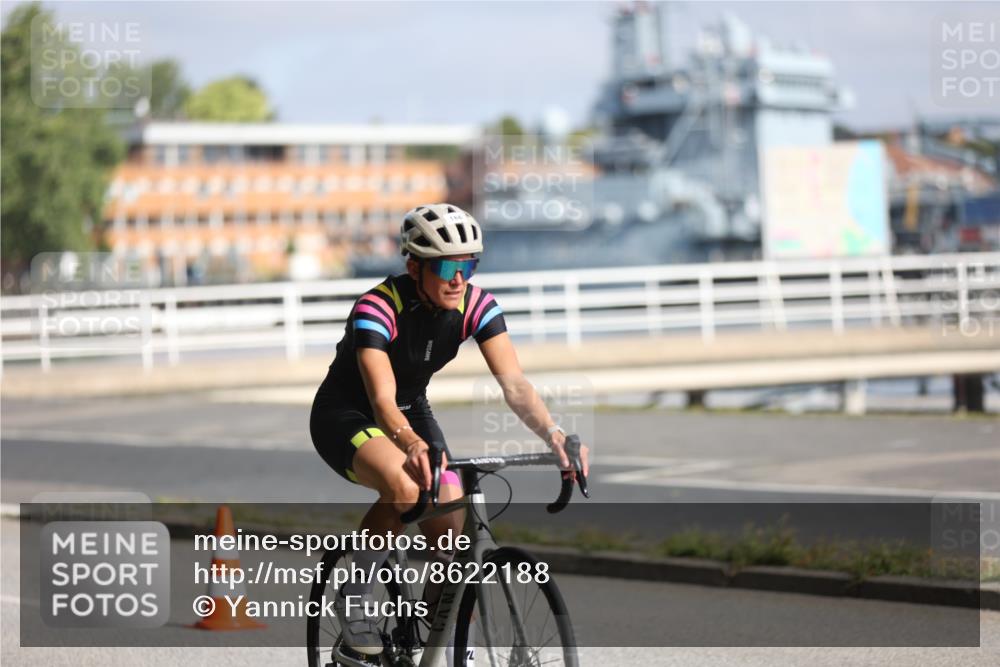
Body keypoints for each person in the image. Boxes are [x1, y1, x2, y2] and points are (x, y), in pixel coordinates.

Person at [310, 203, 589, 657]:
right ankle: (354, 596)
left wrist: (554, 435)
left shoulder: (476, 304)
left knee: (455, 536)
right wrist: (413, 445)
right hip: (348, 415)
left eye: (468, 265)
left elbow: (515, 385)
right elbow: (381, 400)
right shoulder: (377, 307)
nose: (459, 278)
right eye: (446, 266)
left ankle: (439, 631)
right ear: (414, 266)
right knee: (405, 485)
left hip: (411, 410)